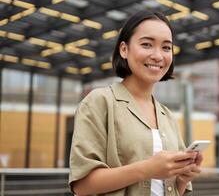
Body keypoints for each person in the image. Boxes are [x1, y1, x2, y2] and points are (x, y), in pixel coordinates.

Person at [69, 10, 203, 196]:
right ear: (124, 49)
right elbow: (82, 185)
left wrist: (182, 178)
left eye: (166, 47)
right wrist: (148, 169)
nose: (158, 55)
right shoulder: (99, 102)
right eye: (147, 44)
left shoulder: (167, 116)